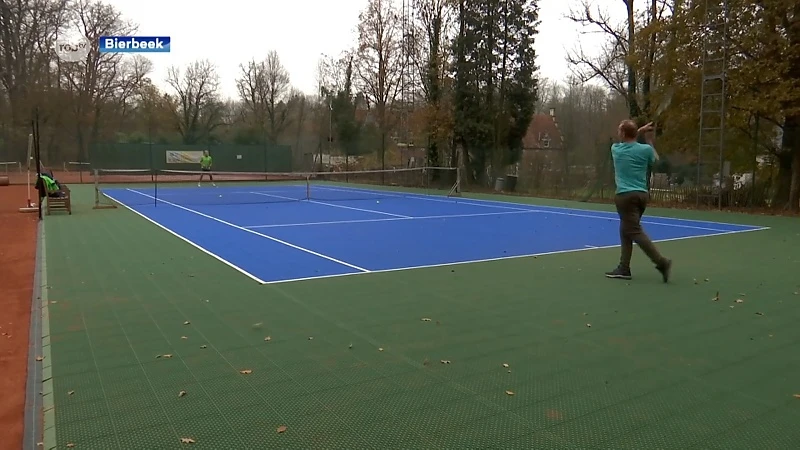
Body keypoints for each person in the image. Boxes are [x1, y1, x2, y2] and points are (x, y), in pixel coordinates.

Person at [605, 120, 672, 282]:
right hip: (642, 196)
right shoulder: (646, 150)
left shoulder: (616, 149)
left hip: (625, 196)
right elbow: (655, 160)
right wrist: (646, 137)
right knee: (626, 230)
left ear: (622, 134)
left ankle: (661, 262)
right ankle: (624, 267)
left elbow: (627, 141)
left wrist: (639, 132)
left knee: (633, 231)